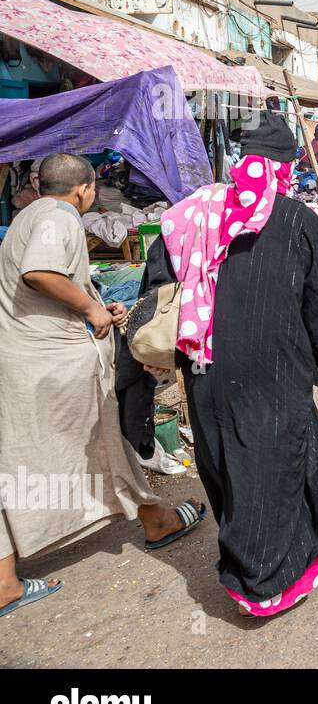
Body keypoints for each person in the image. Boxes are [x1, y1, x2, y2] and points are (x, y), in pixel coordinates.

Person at [143, 110, 318, 618]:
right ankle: (269, 582)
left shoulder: (190, 215)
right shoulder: (298, 219)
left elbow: (157, 293)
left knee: (225, 463)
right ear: (285, 167)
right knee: (274, 466)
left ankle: (245, 566)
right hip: (277, 372)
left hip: (204, 370)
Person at [0, 154, 205, 619]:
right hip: (51, 363)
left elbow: (46, 284)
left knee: (15, 458)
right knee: (105, 440)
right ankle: (157, 520)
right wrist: (93, 312)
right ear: (85, 190)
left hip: (23, 358)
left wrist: (96, 305)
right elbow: (41, 272)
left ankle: (5, 582)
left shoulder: (26, 215)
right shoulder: (59, 216)